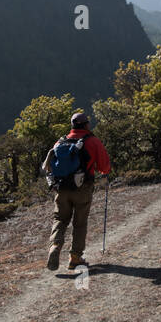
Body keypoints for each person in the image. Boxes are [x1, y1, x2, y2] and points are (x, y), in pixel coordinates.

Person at [41, 111, 111, 271]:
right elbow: (104, 166)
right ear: (86, 125)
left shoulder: (60, 143)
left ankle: (55, 246)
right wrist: (105, 174)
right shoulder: (92, 141)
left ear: (72, 125)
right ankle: (75, 258)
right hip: (82, 188)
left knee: (60, 218)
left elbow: (50, 166)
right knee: (80, 223)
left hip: (61, 188)